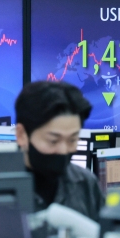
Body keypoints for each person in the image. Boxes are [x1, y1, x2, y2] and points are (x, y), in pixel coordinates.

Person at [15, 81, 104, 221]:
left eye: (72, 140)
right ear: (21, 135)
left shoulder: (86, 184)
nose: (63, 151)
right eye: (53, 141)